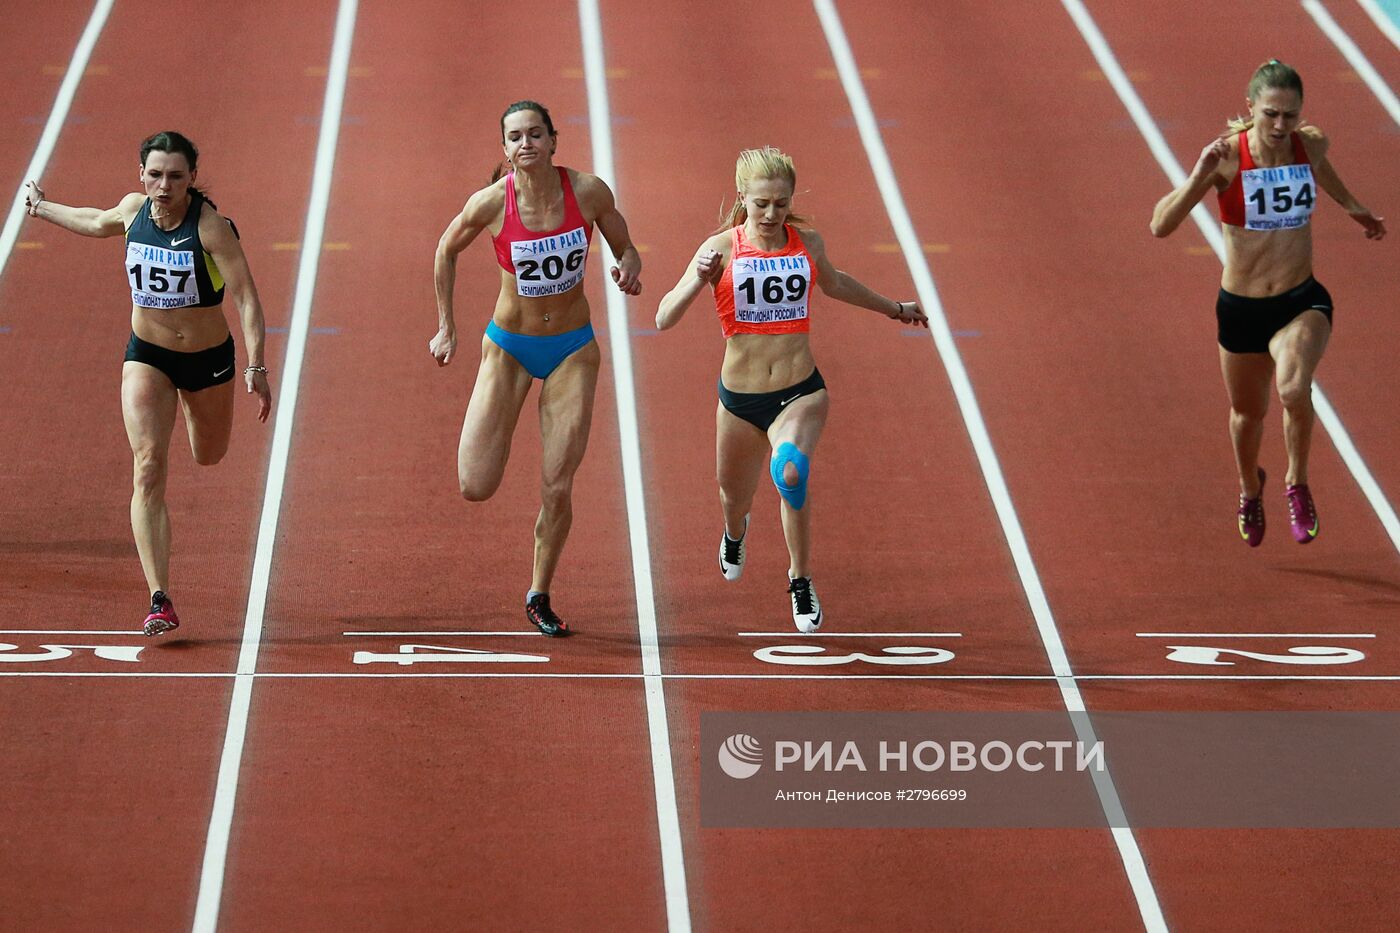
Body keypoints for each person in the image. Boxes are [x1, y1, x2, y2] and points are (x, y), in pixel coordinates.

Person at [656, 146, 926, 632]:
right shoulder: (719, 248)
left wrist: (895, 308)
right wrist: (698, 281)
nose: (771, 213)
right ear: (743, 197)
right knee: (733, 496)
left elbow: (838, 284)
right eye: (761, 203)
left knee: (791, 473)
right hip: (740, 401)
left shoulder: (807, 244)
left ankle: (800, 578)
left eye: (781, 203)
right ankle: (735, 532)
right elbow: (662, 318)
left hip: (800, 392)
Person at [23, 131, 273, 635]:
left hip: (206, 361)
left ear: (192, 179)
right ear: (141, 174)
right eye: (155, 174)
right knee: (149, 466)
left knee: (209, 454)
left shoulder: (211, 228)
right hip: (148, 356)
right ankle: (160, 597)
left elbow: (246, 298)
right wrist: (41, 208)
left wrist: (256, 366)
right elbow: (96, 221)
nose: (164, 185)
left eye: (175, 176)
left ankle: (187, 404)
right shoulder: (134, 210)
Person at [1150, 60, 1385, 547]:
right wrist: (1198, 176)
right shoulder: (1228, 159)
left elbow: (1323, 173)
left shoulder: (1310, 143)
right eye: (1271, 115)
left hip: (1301, 301)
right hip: (1241, 308)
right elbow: (1160, 226)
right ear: (1251, 107)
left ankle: (1296, 483)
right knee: (1247, 417)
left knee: (1294, 388)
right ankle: (1249, 488)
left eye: (1290, 115)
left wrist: (1355, 209)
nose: (1281, 126)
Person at [430, 99, 642, 637]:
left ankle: (539, 592)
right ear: (505, 149)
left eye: (535, 134)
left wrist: (628, 269)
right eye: (515, 137)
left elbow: (626, 246)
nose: (526, 144)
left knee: (557, 484)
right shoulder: (489, 204)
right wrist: (447, 326)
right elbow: (445, 250)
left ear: (553, 141)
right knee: (474, 485)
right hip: (510, 347)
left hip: (573, 348)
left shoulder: (589, 192)